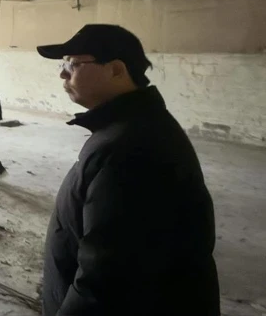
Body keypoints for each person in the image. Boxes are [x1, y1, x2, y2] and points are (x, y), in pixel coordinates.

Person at [36, 24, 219, 316]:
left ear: (116, 70)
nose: (63, 74)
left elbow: (108, 283)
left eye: (73, 64)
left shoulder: (133, 150)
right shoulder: (127, 128)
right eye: (63, 64)